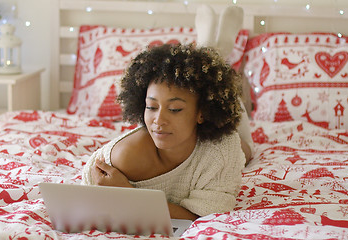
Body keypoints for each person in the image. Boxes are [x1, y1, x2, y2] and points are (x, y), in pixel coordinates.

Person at [81, 44, 246, 221]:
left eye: (175, 109)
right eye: (151, 107)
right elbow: (85, 201)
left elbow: (208, 216)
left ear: (202, 112)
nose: (158, 121)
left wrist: (129, 195)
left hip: (218, 137)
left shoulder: (222, 150)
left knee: (246, 148)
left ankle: (215, 43)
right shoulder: (125, 157)